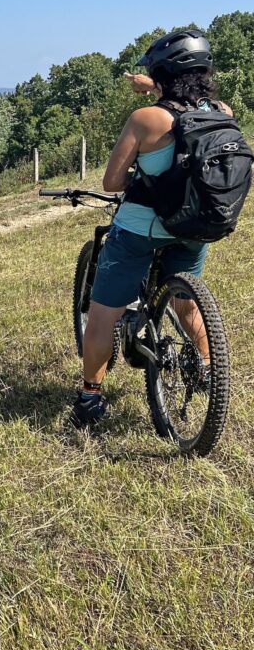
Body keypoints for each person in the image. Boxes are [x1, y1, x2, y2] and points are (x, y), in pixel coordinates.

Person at [71, 29, 232, 427]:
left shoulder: (145, 119)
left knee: (102, 314)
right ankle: (209, 369)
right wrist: (153, 85)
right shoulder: (222, 112)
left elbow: (111, 182)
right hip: (197, 225)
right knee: (186, 301)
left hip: (141, 231)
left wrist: (145, 183)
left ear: (163, 73)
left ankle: (90, 397)